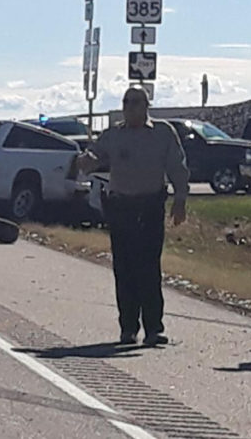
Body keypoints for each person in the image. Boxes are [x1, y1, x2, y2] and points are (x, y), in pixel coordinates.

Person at [76, 86, 189, 347]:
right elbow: (94, 158)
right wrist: (86, 160)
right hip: (121, 207)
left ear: (147, 106)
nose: (130, 107)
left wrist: (181, 199)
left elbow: (177, 167)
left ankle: (154, 329)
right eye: (126, 102)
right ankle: (128, 329)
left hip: (150, 206)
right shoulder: (113, 135)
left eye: (136, 102)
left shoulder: (162, 133)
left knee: (148, 267)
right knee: (124, 269)